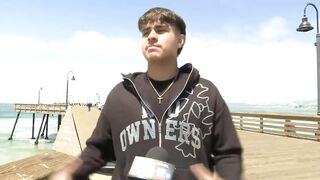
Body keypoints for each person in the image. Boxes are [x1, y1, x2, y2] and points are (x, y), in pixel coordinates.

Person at [50, 7, 243, 180]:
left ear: (180, 40)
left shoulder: (206, 92)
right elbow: (98, 150)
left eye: (160, 30)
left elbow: (228, 153)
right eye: (145, 33)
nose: (151, 36)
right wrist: (71, 172)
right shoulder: (120, 94)